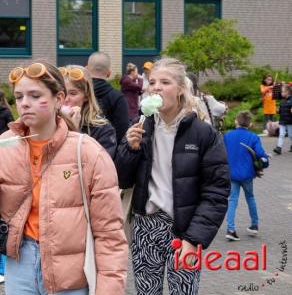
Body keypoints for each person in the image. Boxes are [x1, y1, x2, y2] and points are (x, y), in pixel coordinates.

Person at [0, 61, 128, 295]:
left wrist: (108, 289)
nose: (25, 104)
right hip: (19, 266)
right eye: (19, 97)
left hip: (70, 275)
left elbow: (109, 234)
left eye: (34, 95)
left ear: (59, 99)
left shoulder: (88, 152)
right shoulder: (4, 146)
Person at [114, 58, 230, 295]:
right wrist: (129, 150)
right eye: (152, 82)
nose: (155, 87)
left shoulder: (202, 132)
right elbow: (121, 180)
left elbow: (216, 192)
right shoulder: (141, 125)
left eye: (165, 82)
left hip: (184, 229)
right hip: (145, 226)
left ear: (180, 89)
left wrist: (194, 239)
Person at [224, 110, 269, 241]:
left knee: (232, 200)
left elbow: (221, 154)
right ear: (250, 124)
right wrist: (265, 164)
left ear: (236, 121)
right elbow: (261, 156)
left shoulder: (227, 136)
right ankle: (254, 225)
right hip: (247, 174)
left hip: (231, 174)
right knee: (250, 197)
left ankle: (230, 229)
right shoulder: (253, 137)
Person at [61, 65, 117, 158]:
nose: (66, 99)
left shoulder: (103, 130)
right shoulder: (49, 125)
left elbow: (100, 167)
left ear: (86, 96)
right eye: (62, 92)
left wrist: (74, 132)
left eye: (73, 93)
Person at [87, 51, 129, 142]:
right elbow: (123, 132)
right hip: (109, 152)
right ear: (109, 73)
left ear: (86, 69)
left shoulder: (78, 95)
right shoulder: (117, 98)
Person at [273, 84, 292, 154]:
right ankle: (279, 148)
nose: (282, 93)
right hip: (282, 120)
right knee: (281, 134)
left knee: (290, 135)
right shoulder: (282, 101)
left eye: (283, 92)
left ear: (287, 92)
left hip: (290, 121)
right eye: (282, 92)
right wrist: (277, 111)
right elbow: (280, 111)